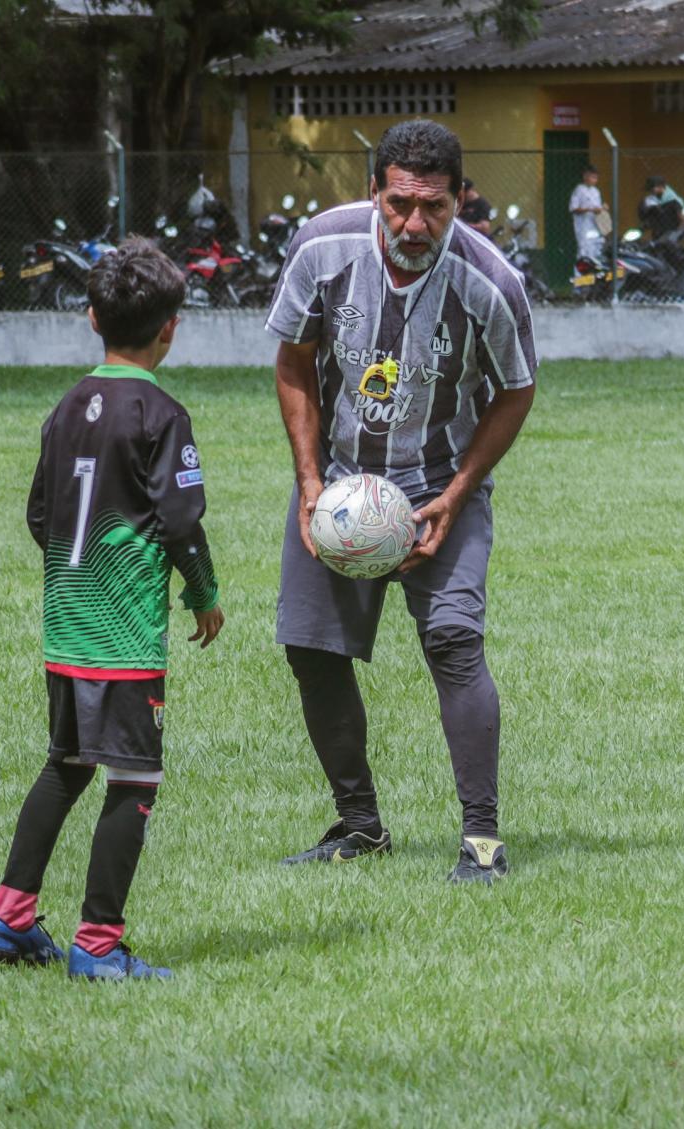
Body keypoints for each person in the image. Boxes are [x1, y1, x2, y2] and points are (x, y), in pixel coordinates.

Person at [265, 120, 536, 883]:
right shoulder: (321, 247)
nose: (414, 224)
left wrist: (455, 494)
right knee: (311, 650)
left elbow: (517, 390)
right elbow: (293, 360)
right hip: (343, 485)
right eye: (399, 204)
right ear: (374, 190)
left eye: (435, 207)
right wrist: (312, 482)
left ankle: (482, 842)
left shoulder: (492, 282)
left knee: (454, 641)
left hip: (441, 487)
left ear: (459, 200)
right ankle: (359, 827)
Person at [0, 237, 224, 981]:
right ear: (170, 328)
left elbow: (39, 514)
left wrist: (73, 579)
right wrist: (204, 594)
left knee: (66, 765)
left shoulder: (65, 407)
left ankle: (11, 919)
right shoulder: (161, 411)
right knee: (133, 781)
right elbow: (180, 522)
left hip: (66, 629)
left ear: (91, 317)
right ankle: (97, 944)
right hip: (122, 639)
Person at [568, 165, 605, 259]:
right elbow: (573, 208)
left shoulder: (596, 191)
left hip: (595, 226)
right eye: (592, 177)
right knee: (584, 251)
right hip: (583, 227)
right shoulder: (579, 189)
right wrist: (589, 209)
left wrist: (602, 209)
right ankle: (580, 273)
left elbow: (598, 208)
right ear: (585, 176)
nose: (595, 180)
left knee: (596, 250)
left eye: (596, 178)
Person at [638, 175, 684, 241]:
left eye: (652, 188)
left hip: (670, 231)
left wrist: (675, 234)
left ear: (661, 187)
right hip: (659, 230)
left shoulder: (672, 201)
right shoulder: (654, 199)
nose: (650, 191)